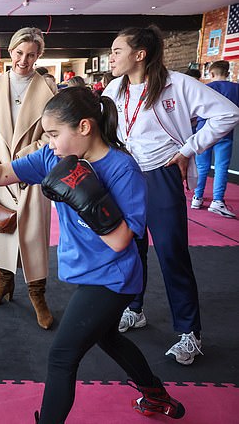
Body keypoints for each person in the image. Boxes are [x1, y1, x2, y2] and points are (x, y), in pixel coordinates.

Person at [0, 86, 186, 423]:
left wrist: (88, 198)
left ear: (85, 128)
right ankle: (154, 395)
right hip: (86, 270)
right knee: (107, 338)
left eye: (54, 134)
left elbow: (122, 241)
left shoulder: (122, 169)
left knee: (62, 356)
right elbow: (4, 174)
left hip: (114, 277)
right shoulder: (53, 157)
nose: (49, 142)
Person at [102, 25, 239, 365]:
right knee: (129, 249)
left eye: (118, 51)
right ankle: (134, 309)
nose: (112, 57)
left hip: (161, 174)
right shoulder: (115, 87)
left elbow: (228, 113)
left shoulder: (177, 84)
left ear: (140, 54)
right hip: (124, 176)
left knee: (171, 253)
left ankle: (189, 333)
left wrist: (190, 148)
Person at [0, 27, 55, 329]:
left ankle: (38, 297)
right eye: (20, 53)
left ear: (38, 55)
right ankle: (3, 284)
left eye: (31, 54)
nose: (24, 59)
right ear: (11, 51)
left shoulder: (48, 89)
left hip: (31, 174)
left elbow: (51, 134)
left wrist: (22, 161)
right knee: (0, 230)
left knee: (33, 239)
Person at [192, 60, 239, 217]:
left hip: (204, 131)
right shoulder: (236, 89)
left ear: (211, 74)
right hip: (225, 132)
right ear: (228, 73)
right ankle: (217, 201)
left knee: (202, 166)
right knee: (221, 167)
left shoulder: (206, 88)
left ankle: (197, 198)